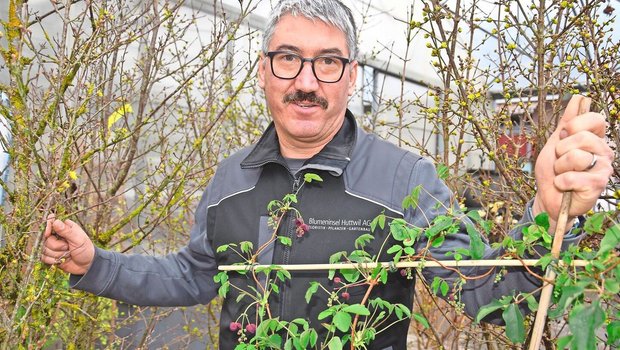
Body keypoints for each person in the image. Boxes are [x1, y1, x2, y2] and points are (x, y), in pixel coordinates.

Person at [41, 0, 613, 349]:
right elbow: (193, 275)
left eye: (328, 61)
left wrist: (548, 209)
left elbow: (489, 292)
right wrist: (97, 265)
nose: (306, 80)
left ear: (351, 76)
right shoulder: (230, 180)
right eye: (288, 58)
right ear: (265, 73)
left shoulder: (401, 180)